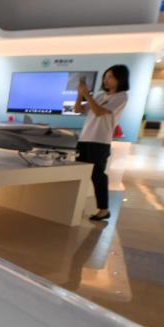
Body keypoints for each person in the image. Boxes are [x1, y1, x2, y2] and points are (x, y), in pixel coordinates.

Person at [73, 65, 130, 222]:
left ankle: (104, 209)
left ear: (120, 79)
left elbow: (98, 112)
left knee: (97, 176)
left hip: (100, 141)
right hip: (84, 139)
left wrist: (87, 95)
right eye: (105, 76)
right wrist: (80, 95)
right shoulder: (99, 96)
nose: (106, 80)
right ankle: (76, 207)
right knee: (80, 173)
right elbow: (78, 110)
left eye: (110, 77)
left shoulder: (121, 96)